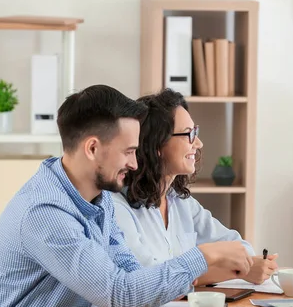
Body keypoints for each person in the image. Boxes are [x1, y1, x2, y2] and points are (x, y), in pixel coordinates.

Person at [0, 85, 252, 307]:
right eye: (128, 151)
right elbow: (120, 296)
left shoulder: (98, 201)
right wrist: (205, 256)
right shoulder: (46, 213)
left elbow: (132, 279)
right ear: (92, 148)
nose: (136, 164)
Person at [112, 88, 278, 285]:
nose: (198, 143)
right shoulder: (117, 207)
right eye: (189, 134)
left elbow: (239, 247)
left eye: (195, 132)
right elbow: (149, 280)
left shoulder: (180, 202)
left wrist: (236, 265)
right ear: (156, 145)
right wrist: (234, 271)